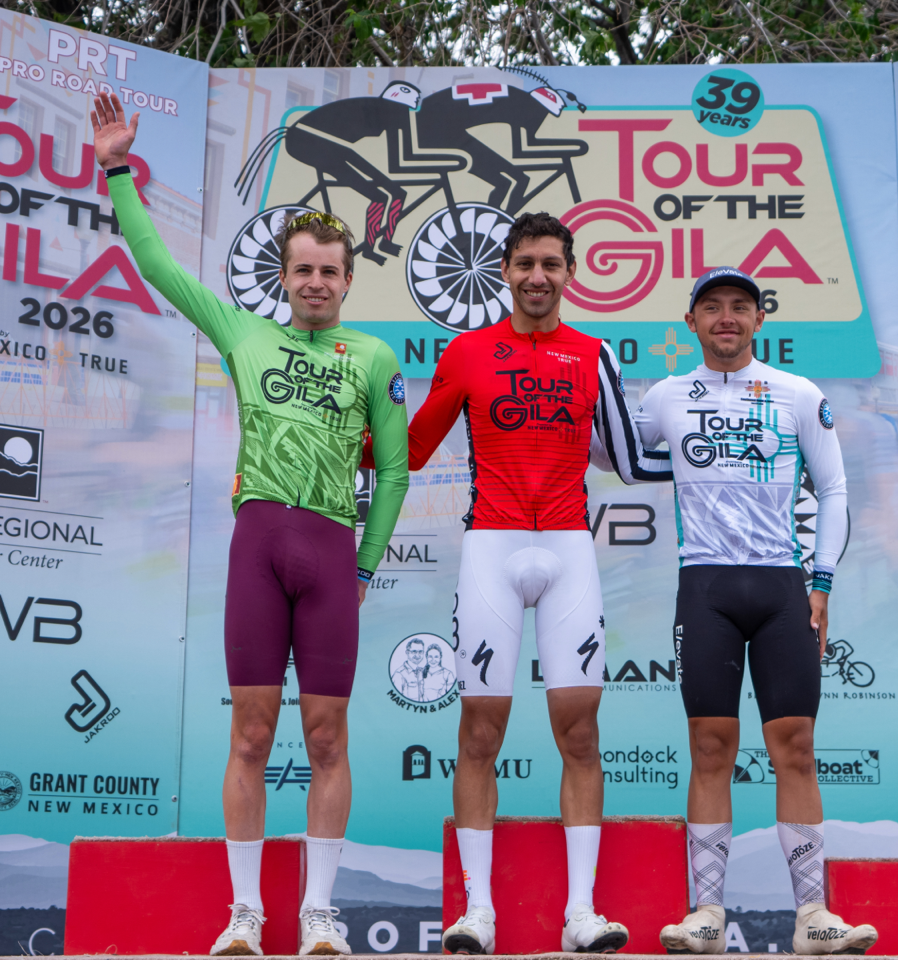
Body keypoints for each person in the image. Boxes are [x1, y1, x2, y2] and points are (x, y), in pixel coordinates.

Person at [91, 93, 409, 958]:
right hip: (259, 545)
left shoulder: (375, 357)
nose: (315, 283)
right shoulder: (244, 333)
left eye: (329, 272)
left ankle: (319, 916)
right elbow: (159, 266)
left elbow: (396, 470)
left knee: (327, 735)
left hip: (331, 550)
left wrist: (367, 564)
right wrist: (118, 168)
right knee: (253, 732)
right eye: (301, 270)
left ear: (348, 279)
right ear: (283, 276)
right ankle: (245, 915)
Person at [369, 211, 669, 954]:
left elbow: (624, 456)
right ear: (504, 271)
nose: (539, 276)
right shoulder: (468, 352)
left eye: (552, 264)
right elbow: (408, 448)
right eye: (526, 263)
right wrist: (337, 430)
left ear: (570, 273)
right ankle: (478, 913)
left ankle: (581, 915)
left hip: (569, 545)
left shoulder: (593, 354)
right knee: (479, 733)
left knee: (580, 732)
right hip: (491, 547)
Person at [635, 268, 878, 955]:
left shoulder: (799, 394)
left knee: (795, 748)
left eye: (739, 307)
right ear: (691, 323)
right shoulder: (665, 396)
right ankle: (706, 915)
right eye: (712, 307)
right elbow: (612, 455)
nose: (726, 318)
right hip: (704, 585)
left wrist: (822, 581)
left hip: (781, 587)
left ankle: (814, 919)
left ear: (759, 320)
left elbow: (832, 489)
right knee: (711, 747)